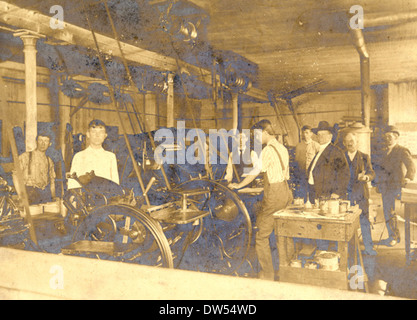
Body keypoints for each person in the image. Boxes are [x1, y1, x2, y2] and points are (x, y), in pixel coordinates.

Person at [229, 120, 292, 280]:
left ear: (265, 132)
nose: (256, 138)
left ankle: (268, 274)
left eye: (257, 135)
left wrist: (239, 185)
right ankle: (287, 269)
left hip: (275, 194)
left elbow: (255, 171)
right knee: (281, 233)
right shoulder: (282, 148)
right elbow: (285, 175)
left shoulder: (267, 150)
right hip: (285, 191)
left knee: (262, 236)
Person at [377, 125, 416, 247]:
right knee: (387, 211)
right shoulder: (384, 151)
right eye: (386, 137)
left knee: (393, 212)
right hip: (385, 186)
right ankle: (392, 236)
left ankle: (394, 237)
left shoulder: (401, 150)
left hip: (396, 185)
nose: (387, 139)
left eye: (390, 137)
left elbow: (411, 166)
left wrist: (407, 178)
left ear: (396, 138)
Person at [343, 132, 376, 255]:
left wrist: (367, 177)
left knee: (364, 220)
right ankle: (348, 248)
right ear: (344, 143)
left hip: (361, 194)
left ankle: (368, 248)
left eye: (352, 140)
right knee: (347, 221)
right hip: (346, 195)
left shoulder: (364, 157)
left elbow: (371, 172)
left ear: (357, 142)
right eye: (347, 141)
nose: (350, 143)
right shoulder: (341, 156)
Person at [68, 119, 119, 189]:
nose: (97, 135)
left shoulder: (111, 157)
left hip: (106, 197)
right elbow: (72, 183)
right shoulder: (79, 156)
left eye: (101, 132)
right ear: (88, 134)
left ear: (105, 135)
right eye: (93, 132)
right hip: (84, 198)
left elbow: (115, 183)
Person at [307, 121, 350, 204]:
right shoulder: (320, 151)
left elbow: (344, 173)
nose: (320, 137)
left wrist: (337, 192)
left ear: (330, 136)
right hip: (316, 192)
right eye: (319, 135)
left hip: (328, 195)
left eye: (323, 134)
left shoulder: (336, 152)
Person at [18, 132, 56, 204]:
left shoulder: (49, 161)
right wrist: (20, 195)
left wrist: (53, 198)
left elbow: (52, 182)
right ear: (36, 141)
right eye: (40, 140)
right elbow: (15, 176)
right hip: (29, 194)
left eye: (46, 141)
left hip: (45, 195)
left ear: (50, 144)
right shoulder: (25, 156)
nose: (43, 143)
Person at [294, 125, 320, 202]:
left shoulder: (316, 145)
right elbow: (297, 161)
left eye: (307, 133)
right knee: (303, 193)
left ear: (311, 134)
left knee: (313, 192)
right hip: (302, 174)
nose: (305, 135)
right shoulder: (299, 146)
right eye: (303, 133)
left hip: (313, 174)